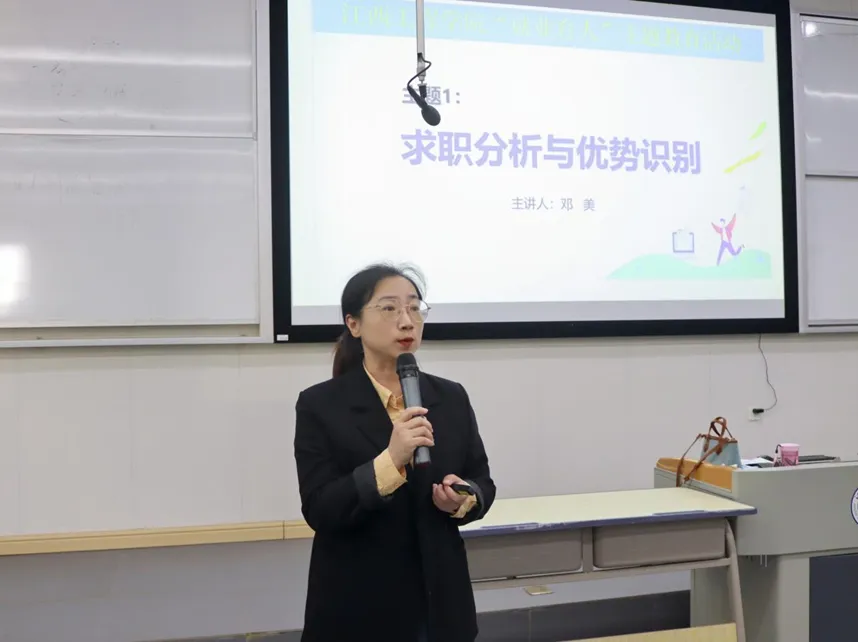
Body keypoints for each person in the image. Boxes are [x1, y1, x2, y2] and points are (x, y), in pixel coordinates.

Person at [293, 263, 496, 642]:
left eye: (414, 308)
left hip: (441, 607)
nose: (406, 321)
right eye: (389, 308)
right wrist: (390, 461)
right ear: (353, 324)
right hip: (359, 609)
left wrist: (463, 498)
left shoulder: (450, 396)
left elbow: (482, 481)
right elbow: (320, 508)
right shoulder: (320, 405)